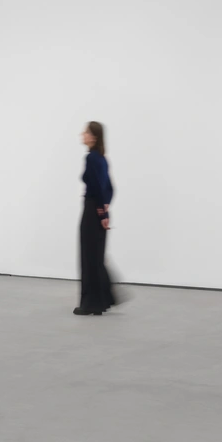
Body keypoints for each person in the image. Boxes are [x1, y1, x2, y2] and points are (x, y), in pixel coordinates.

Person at [76, 121, 117, 315]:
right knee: (96, 256)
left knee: (89, 256)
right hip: (98, 210)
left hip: (92, 210)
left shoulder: (92, 158)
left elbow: (98, 188)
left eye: (85, 132)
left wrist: (101, 213)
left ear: (93, 136)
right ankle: (101, 301)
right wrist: (106, 211)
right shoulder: (101, 158)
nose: (82, 134)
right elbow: (109, 188)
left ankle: (90, 304)